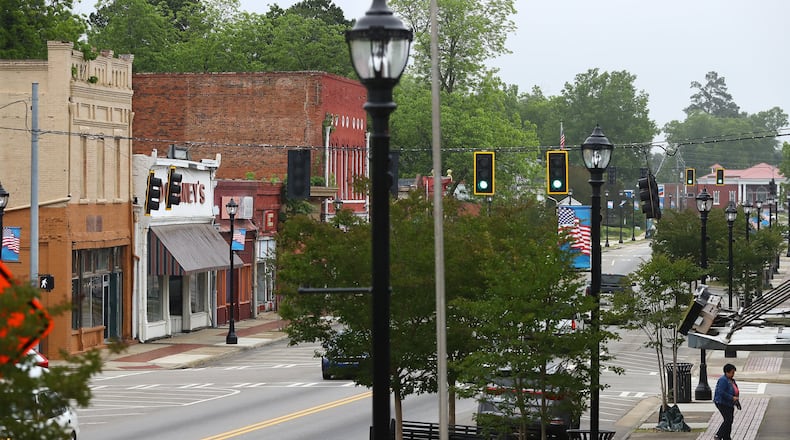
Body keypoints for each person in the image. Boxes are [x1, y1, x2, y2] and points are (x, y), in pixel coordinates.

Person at [713, 363, 739, 440]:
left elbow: (734, 390)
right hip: (722, 402)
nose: (733, 374)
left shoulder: (731, 380)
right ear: (727, 372)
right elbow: (721, 392)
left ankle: (726, 436)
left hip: (730, 403)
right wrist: (731, 397)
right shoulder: (723, 380)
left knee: (730, 420)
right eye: (732, 372)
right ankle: (719, 434)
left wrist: (735, 399)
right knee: (728, 419)